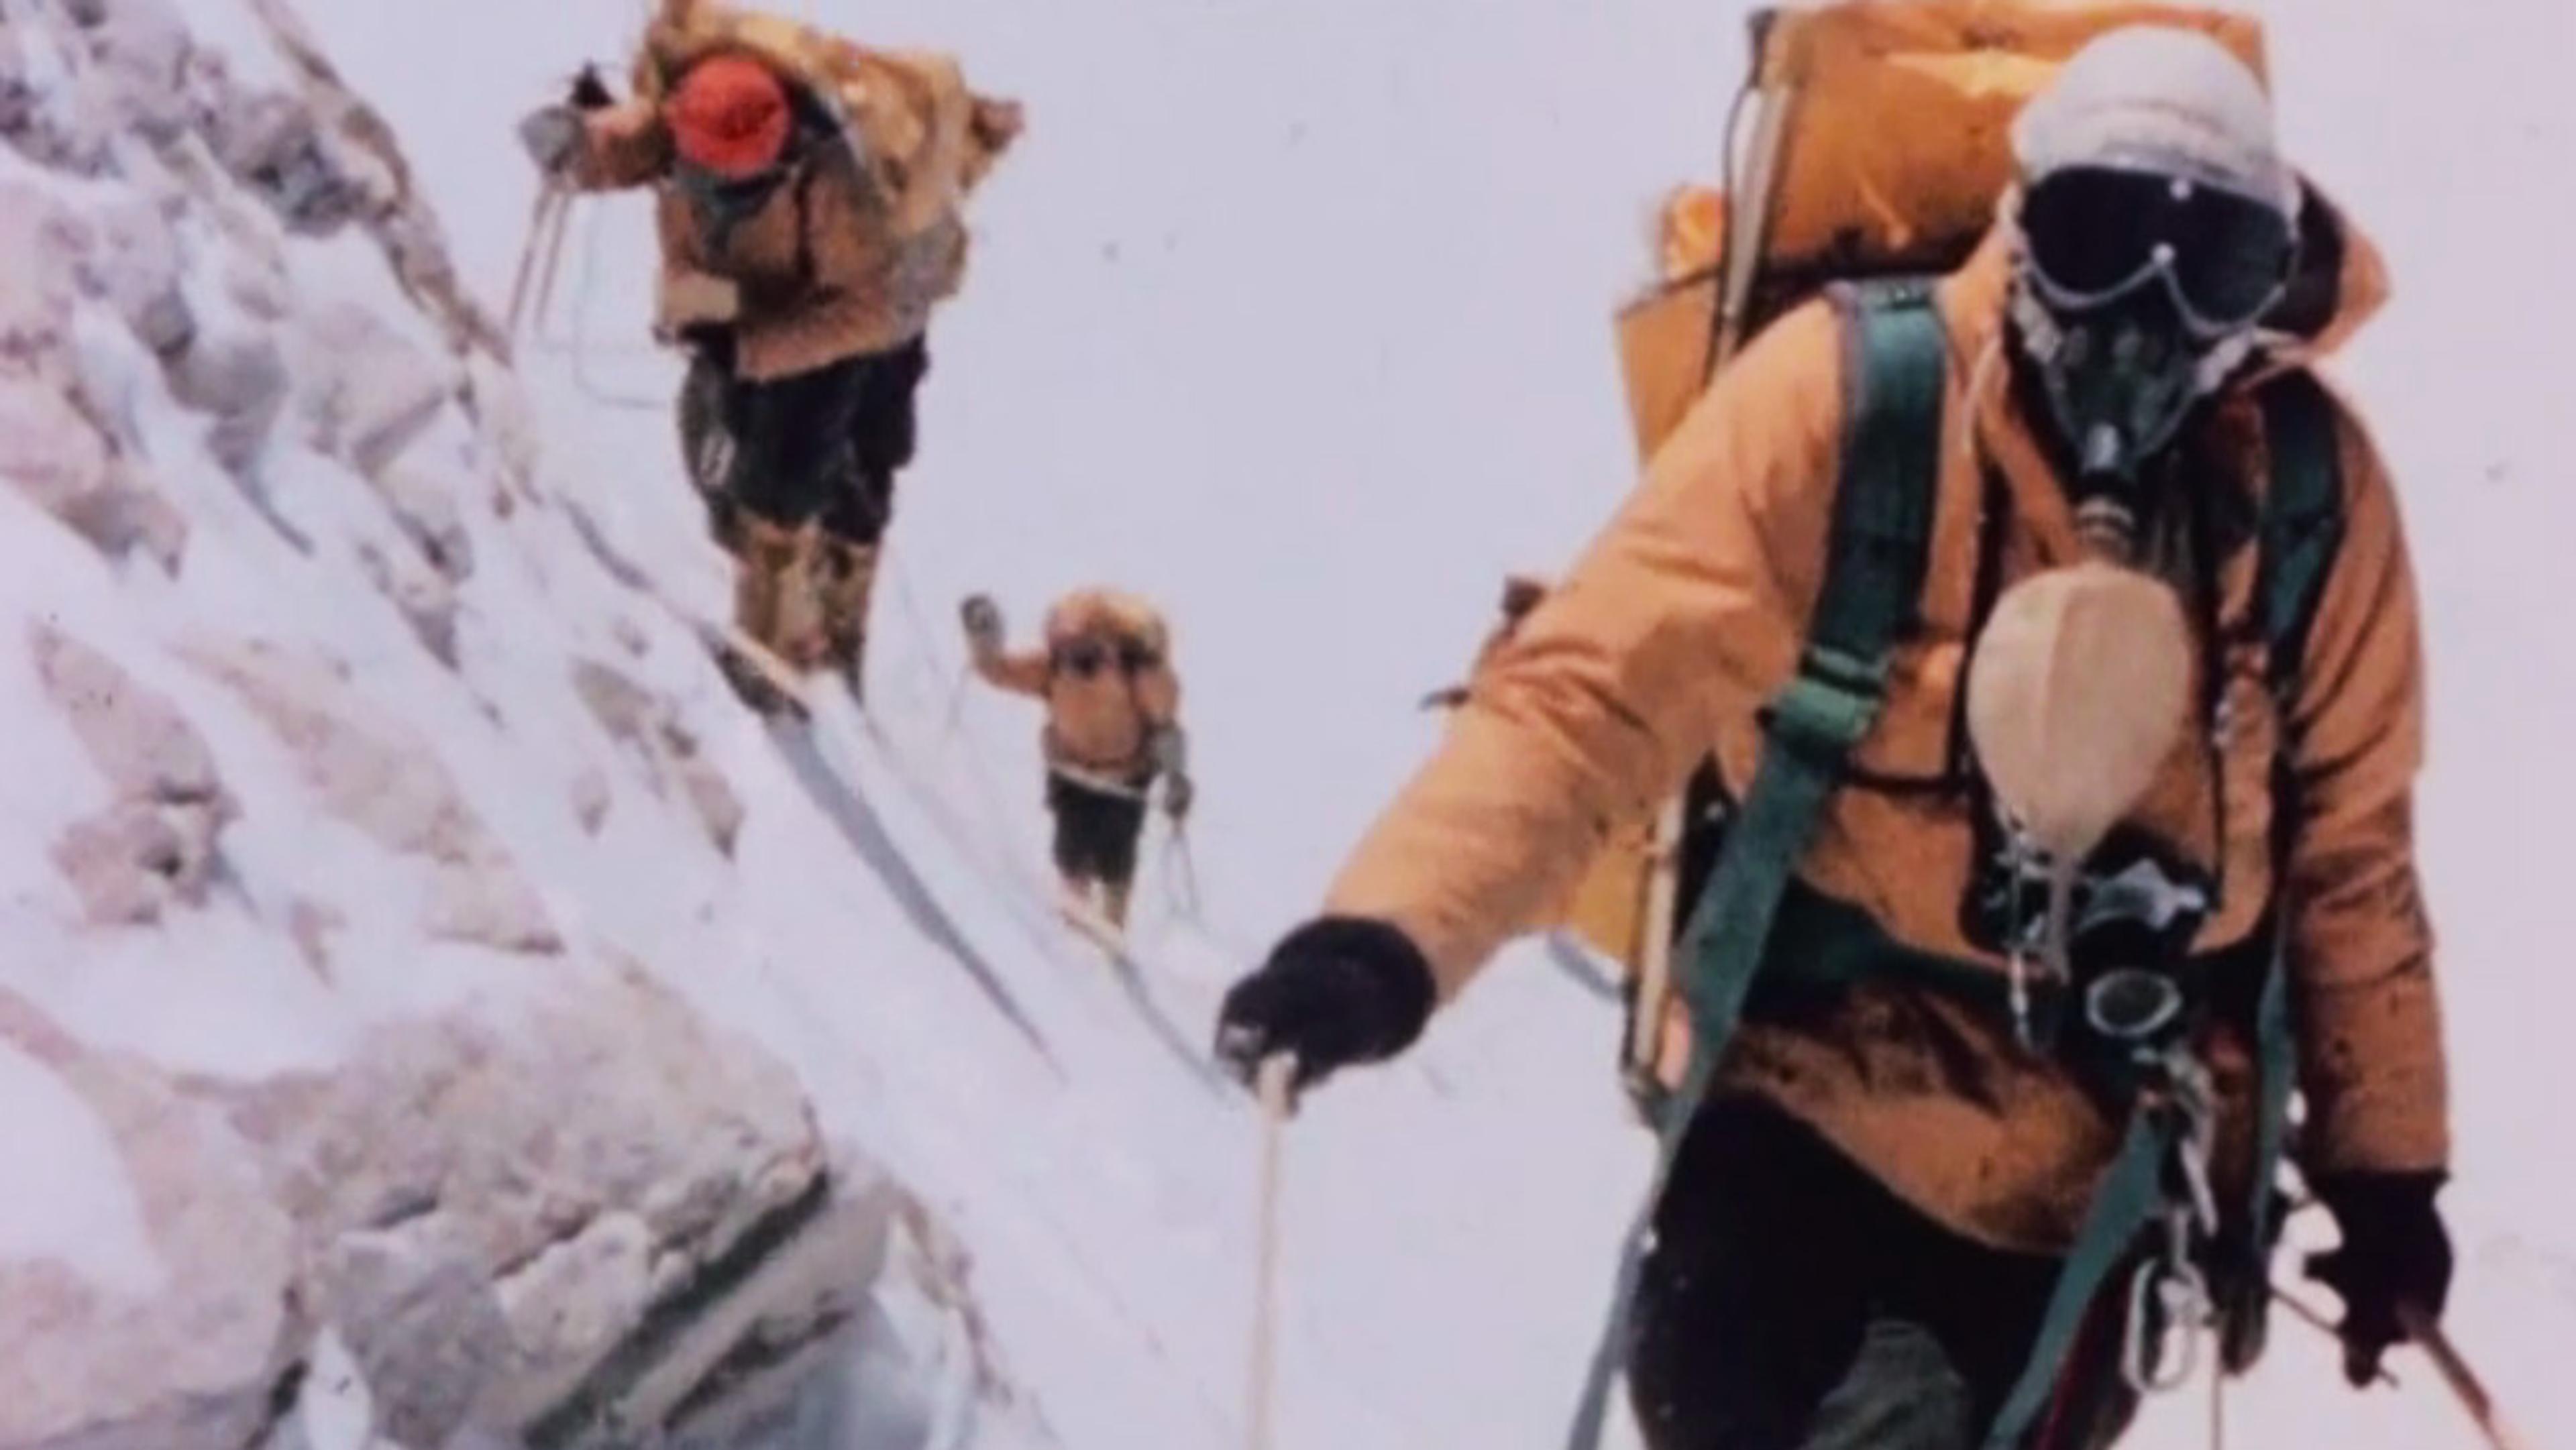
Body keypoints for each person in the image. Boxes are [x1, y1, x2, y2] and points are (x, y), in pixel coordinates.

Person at [1211, 27, 2452, 1449]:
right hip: (1807, 1111)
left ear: (2268, 293)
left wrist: (2388, 1175)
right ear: (2021, 224)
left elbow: (2352, 857)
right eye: (2100, 241)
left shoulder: (2303, 506)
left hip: (2092, 1181)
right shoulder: (1857, 405)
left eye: (2209, 268)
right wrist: (1388, 938)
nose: (2144, 318)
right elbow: (1597, 690)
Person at [516, 1, 1022, 700]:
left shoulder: (840, 186)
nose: (720, 195)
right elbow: (642, 141)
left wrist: (752, 350)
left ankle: (787, 658)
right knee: (728, 450)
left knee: (801, 481)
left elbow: (863, 310)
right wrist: (585, 144)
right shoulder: (689, 128)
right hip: (757, 308)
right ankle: (789, 589)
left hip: (852, 314)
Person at [963, 589, 1192, 933]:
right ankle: (1074, 929)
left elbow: (1165, 728)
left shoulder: (1140, 678)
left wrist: (1175, 779)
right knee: (1071, 853)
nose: (1082, 663)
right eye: (1075, 652)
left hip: (1124, 785)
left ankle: (1113, 927)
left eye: (1092, 654)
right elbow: (1001, 672)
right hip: (1070, 780)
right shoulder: (1054, 668)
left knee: (1117, 861)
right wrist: (984, 641)